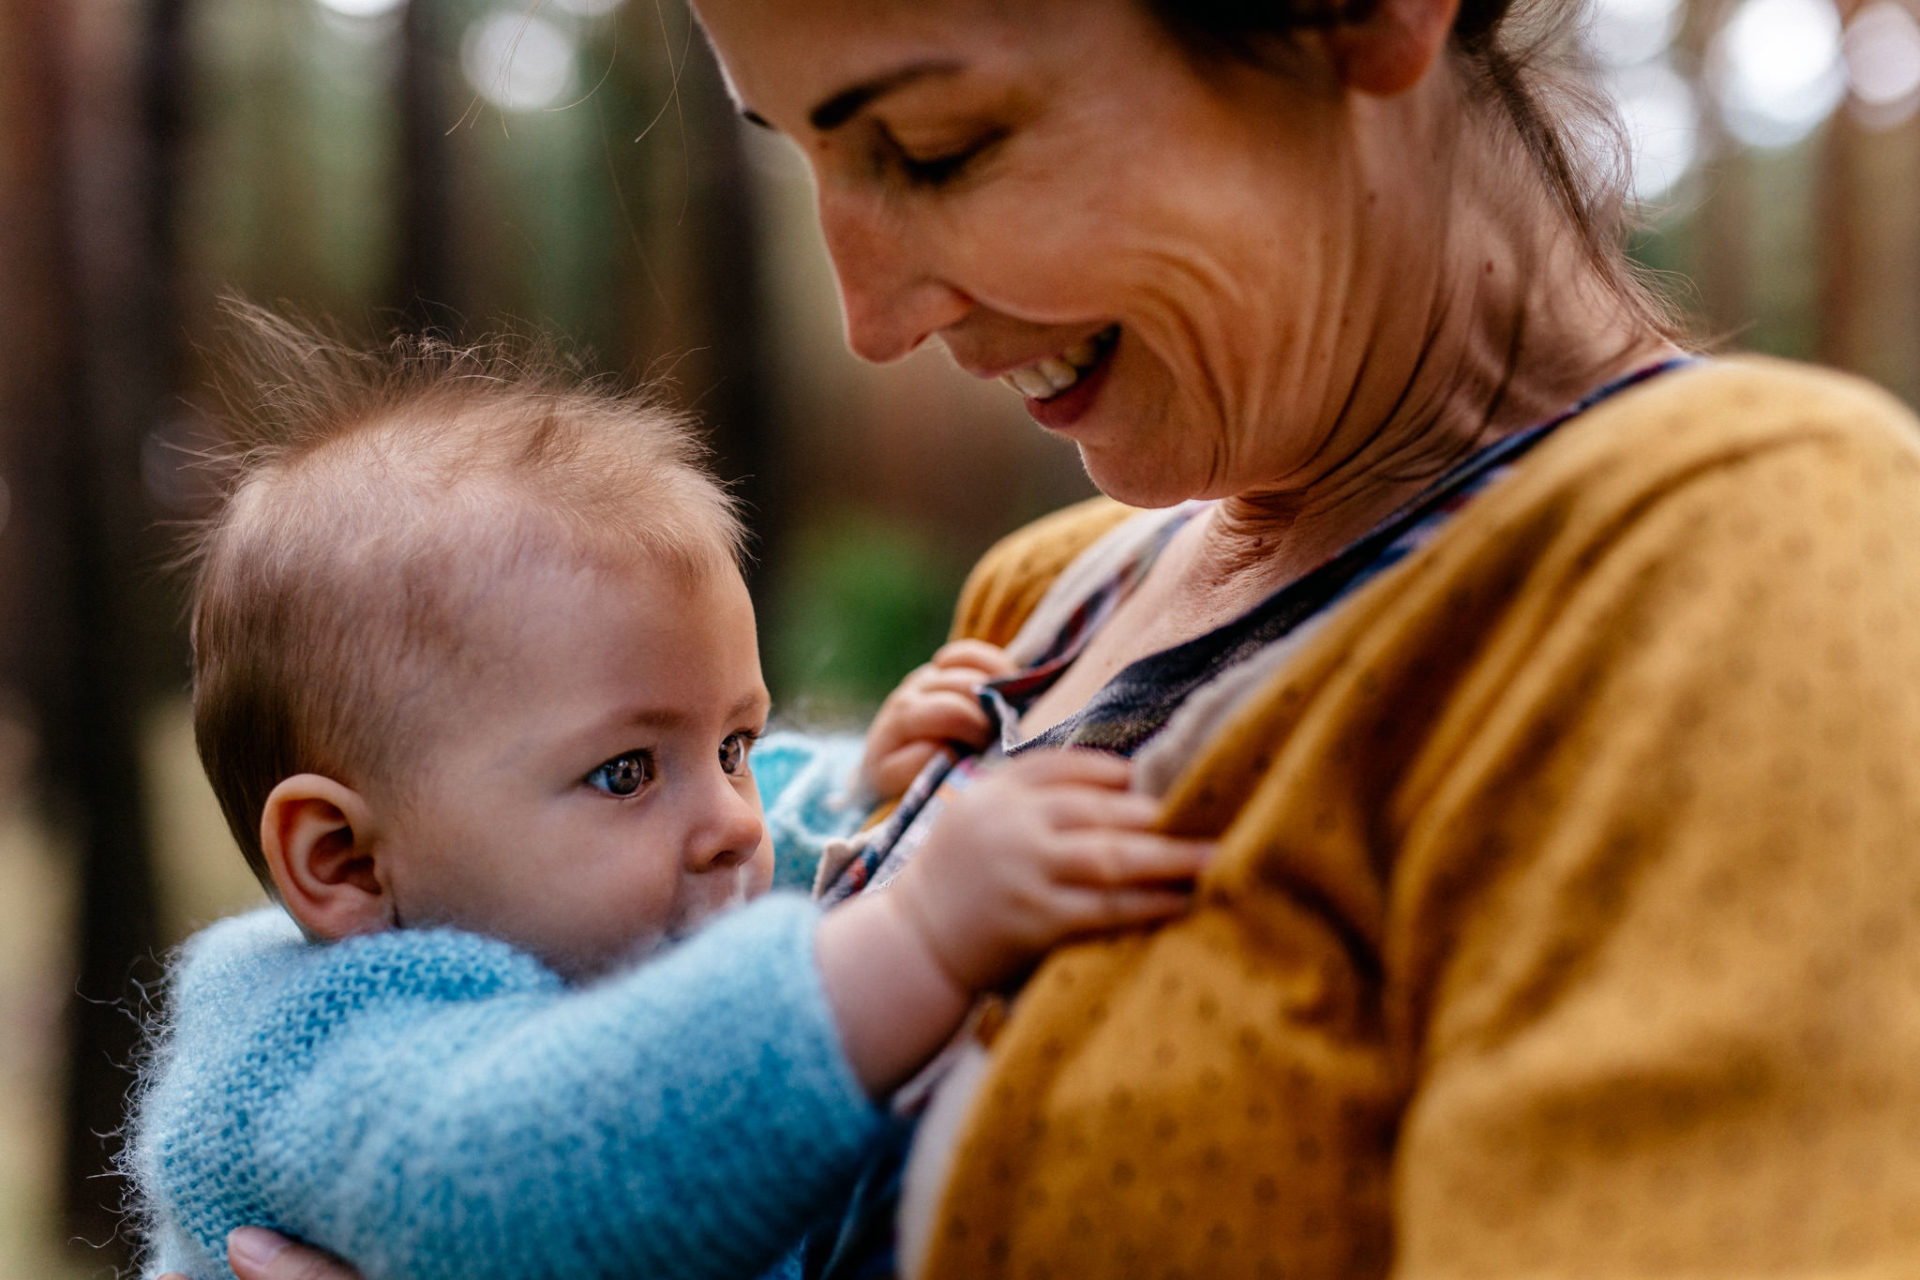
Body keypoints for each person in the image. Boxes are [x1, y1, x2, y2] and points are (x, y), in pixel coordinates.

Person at [211, 0, 1920, 1275]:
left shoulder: (1725, 567)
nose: (870, 317)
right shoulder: (1042, 601)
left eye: (935, 147)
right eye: (804, 154)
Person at [126, 310, 1214, 1280]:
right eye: (626, 771)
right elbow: (559, 1160)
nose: (735, 819)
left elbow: (748, 828)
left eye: (734, 739)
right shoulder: (313, 1056)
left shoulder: (557, 906)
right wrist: (919, 940)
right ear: (345, 860)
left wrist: (864, 793)